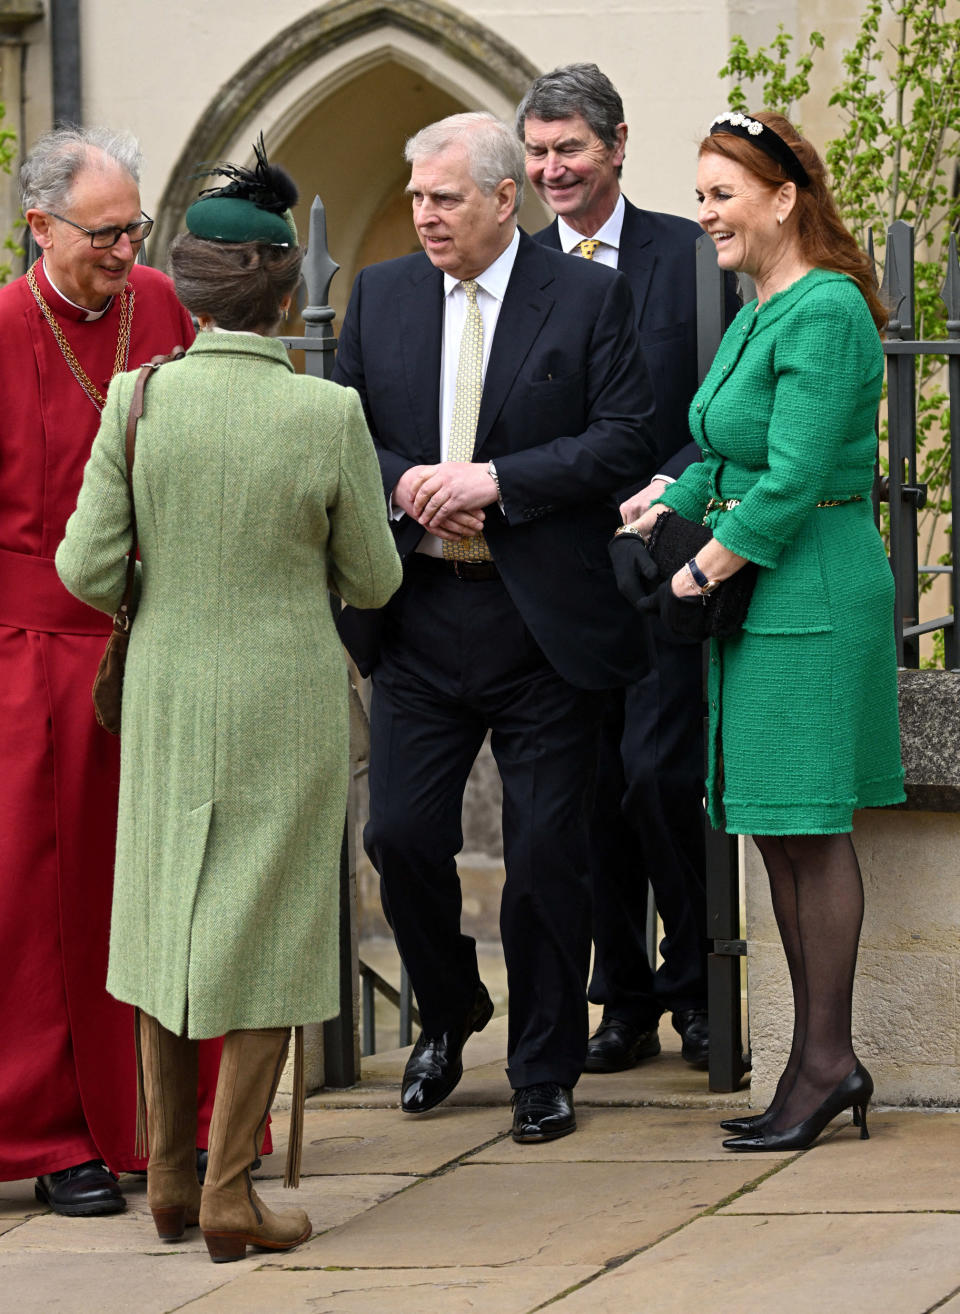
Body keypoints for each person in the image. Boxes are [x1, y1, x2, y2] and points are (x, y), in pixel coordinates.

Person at [56, 144, 402, 1259]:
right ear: (284, 290)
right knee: (272, 927)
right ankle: (230, 1187)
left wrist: (169, 581)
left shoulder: (137, 397)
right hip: (283, 693)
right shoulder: (325, 414)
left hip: (163, 687)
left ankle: (167, 1174)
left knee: (167, 918)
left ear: (190, 287)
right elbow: (375, 579)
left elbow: (84, 571)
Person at [332, 111, 656, 1143]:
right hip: (420, 614)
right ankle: (453, 1006)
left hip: (541, 622)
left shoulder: (591, 296)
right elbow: (345, 435)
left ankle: (543, 1064)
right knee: (399, 834)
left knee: (549, 848)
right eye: (417, 198)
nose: (423, 216)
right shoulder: (379, 295)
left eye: (445, 199)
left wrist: (499, 482)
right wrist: (411, 486)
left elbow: (622, 440)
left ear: (504, 197)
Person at [632, 110, 904, 1150]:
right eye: (698, 195)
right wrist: (668, 495)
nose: (704, 214)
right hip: (764, 599)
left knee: (809, 829)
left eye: (721, 194)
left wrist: (707, 561)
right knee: (778, 835)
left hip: (810, 594)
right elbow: (724, 447)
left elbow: (791, 480)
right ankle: (815, 1062)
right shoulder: (760, 306)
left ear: (784, 197)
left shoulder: (826, 310)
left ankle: (827, 1063)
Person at [0, 125, 225, 1217]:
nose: (125, 247)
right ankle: (54, 1138)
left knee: (172, 893)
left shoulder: (159, 305)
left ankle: (172, 1124)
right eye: (103, 230)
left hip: (163, 638)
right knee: (40, 901)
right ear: (37, 226)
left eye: (135, 225)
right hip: (32, 657)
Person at [518, 63, 737, 1073]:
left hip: (669, 563)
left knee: (659, 776)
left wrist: (667, 493)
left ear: (615, 145)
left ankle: (697, 983)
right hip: (560, 570)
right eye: (538, 153)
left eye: (569, 148)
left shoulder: (692, 256)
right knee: (592, 786)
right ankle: (624, 1001)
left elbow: (723, 407)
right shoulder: (518, 273)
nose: (552, 168)